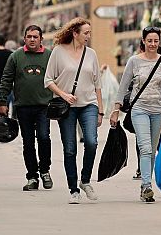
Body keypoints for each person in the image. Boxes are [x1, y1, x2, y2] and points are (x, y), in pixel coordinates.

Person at [44, 17, 104, 204]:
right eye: (85, 33)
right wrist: (63, 95)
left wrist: (101, 110)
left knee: (92, 143)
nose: (88, 36)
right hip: (67, 108)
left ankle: (85, 180)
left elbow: (97, 84)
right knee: (70, 149)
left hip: (89, 105)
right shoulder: (58, 52)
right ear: (75, 33)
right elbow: (48, 80)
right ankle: (73, 190)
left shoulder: (91, 54)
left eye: (89, 33)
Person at [110, 27, 161, 203]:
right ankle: (146, 185)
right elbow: (123, 86)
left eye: (156, 41)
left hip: (158, 110)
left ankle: (146, 183)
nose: (152, 44)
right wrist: (116, 109)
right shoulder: (134, 61)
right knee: (145, 148)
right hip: (140, 109)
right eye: (149, 40)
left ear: (159, 42)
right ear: (143, 41)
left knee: (152, 151)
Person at [0, 25, 54, 191]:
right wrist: (2, 102)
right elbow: (6, 79)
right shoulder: (16, 57)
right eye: (29, 36)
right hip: (22, 107)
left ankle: (45, 170)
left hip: (44, 106)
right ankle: (32, 177)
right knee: (28, 143)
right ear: (24, 38)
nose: (32, 39)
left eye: (35, 37)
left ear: (41, 39)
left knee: (44, 137)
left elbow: (59, 77)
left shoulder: (49, 56)